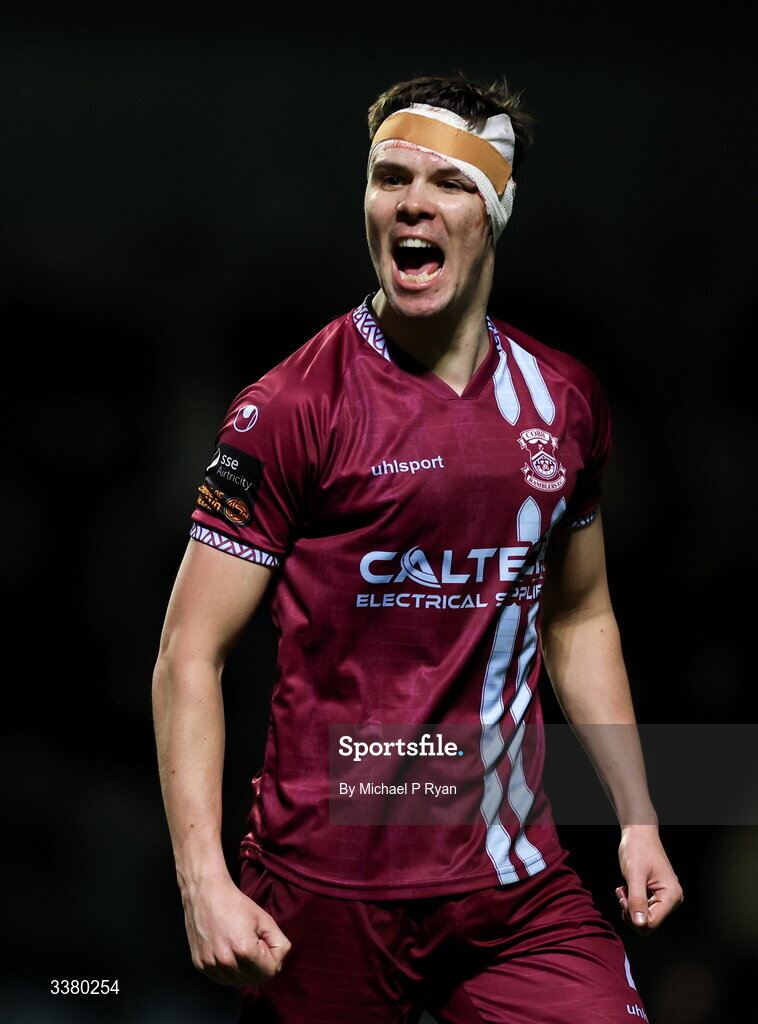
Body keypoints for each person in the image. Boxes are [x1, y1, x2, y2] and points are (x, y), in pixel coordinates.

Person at [152, 73, 683, 1023]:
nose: (410, 203)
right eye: (388, 176)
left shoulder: (564, 406)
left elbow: (579, 612)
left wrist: (638, 814)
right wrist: (201, 881)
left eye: (446, 184)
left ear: (496, 211)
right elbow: (189, 654)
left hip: (514, 888)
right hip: (323, 891)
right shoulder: (290, 409)